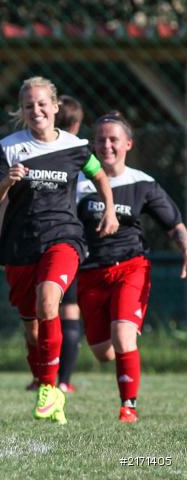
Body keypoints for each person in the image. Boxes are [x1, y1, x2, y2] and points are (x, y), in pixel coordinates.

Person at [0, 77, 119, 424]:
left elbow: (100, 176)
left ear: (56, 106)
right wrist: (6, 182)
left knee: (48, 300)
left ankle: (51, 388)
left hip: (64, 237)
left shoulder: (76, 147)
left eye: (42, 104)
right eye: (29, 106)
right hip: (21, 244)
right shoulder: (8, 148)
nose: (37, 110)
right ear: (22, 111)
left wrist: (111, 210)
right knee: (32, 329)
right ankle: (46, 385)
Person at [75, 112, 187, 422]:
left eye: (113, 139)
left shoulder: (143, 183)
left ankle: (128, 406)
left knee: (123, 336)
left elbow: (175, 225)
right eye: (101, 140)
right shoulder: (80, 183)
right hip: (90, 272)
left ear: (128, 143)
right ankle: (125, 360)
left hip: (131, 266)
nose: (107, 145)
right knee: (102, 351)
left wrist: (185, 246)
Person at [22, 95, 85, 393]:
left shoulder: (77, 154)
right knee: (58, 311)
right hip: (68, 239)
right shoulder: (71, 153)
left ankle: (50, 381)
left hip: (63, 240)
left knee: (50, 309)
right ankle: (60, 381)